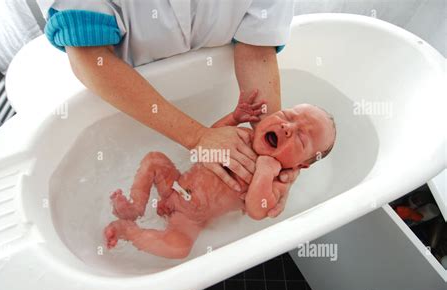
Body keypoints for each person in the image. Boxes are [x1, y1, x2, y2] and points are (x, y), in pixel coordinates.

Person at [38, 0, 296, 217]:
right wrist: (199, 137)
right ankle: (134, 211)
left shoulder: (256, 158)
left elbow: (257, 47)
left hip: (198, 102)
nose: (290, 127)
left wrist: (274, 149)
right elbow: (89, 55)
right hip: (125, 100)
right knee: (155, 169)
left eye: (303, 136)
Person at [104, 91, 337, 258]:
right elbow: (209, 139)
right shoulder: (243, 134)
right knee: (154, 159)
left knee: (179, 248)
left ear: (300, 166)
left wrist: (265, 173)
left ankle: (128, 230)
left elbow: (257, 211)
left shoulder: (276, 182)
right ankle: (135, 206)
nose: (288, 127)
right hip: (174, 184)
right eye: (288, 115)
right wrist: (234, 118)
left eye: (301, 138)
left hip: (191, 218)